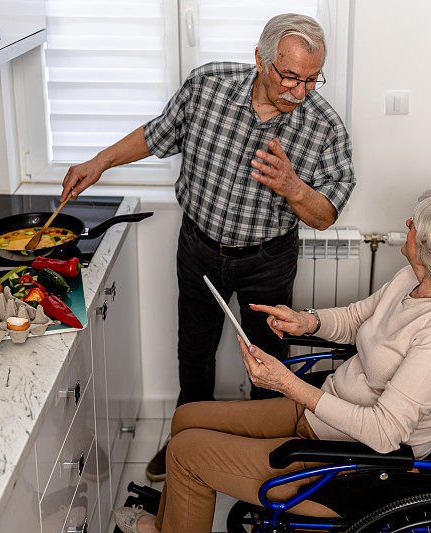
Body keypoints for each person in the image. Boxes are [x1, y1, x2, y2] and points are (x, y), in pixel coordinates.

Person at [60, 13, 355, 481]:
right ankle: (185, 442)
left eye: (311, 80)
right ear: (260, 59)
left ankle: (267, 464)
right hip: (198, 250)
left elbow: (326, 215)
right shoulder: (207, 86)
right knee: (194, 356)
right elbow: (155, 135)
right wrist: (100, 162)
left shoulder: (325, 128)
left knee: (269, 364)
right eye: (290, 77)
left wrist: (294, 188)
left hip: (268, 262)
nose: (299, 92)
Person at [113, 187, 431, 533]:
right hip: (325, 416)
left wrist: (286, 384)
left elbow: (386, 432)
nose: (407, 222)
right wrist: (306, 321)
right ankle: (170, 523)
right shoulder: (413, 280)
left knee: (185, 454)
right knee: (186, 419)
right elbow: (357, 319)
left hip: (353, 465)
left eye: (415, 225)